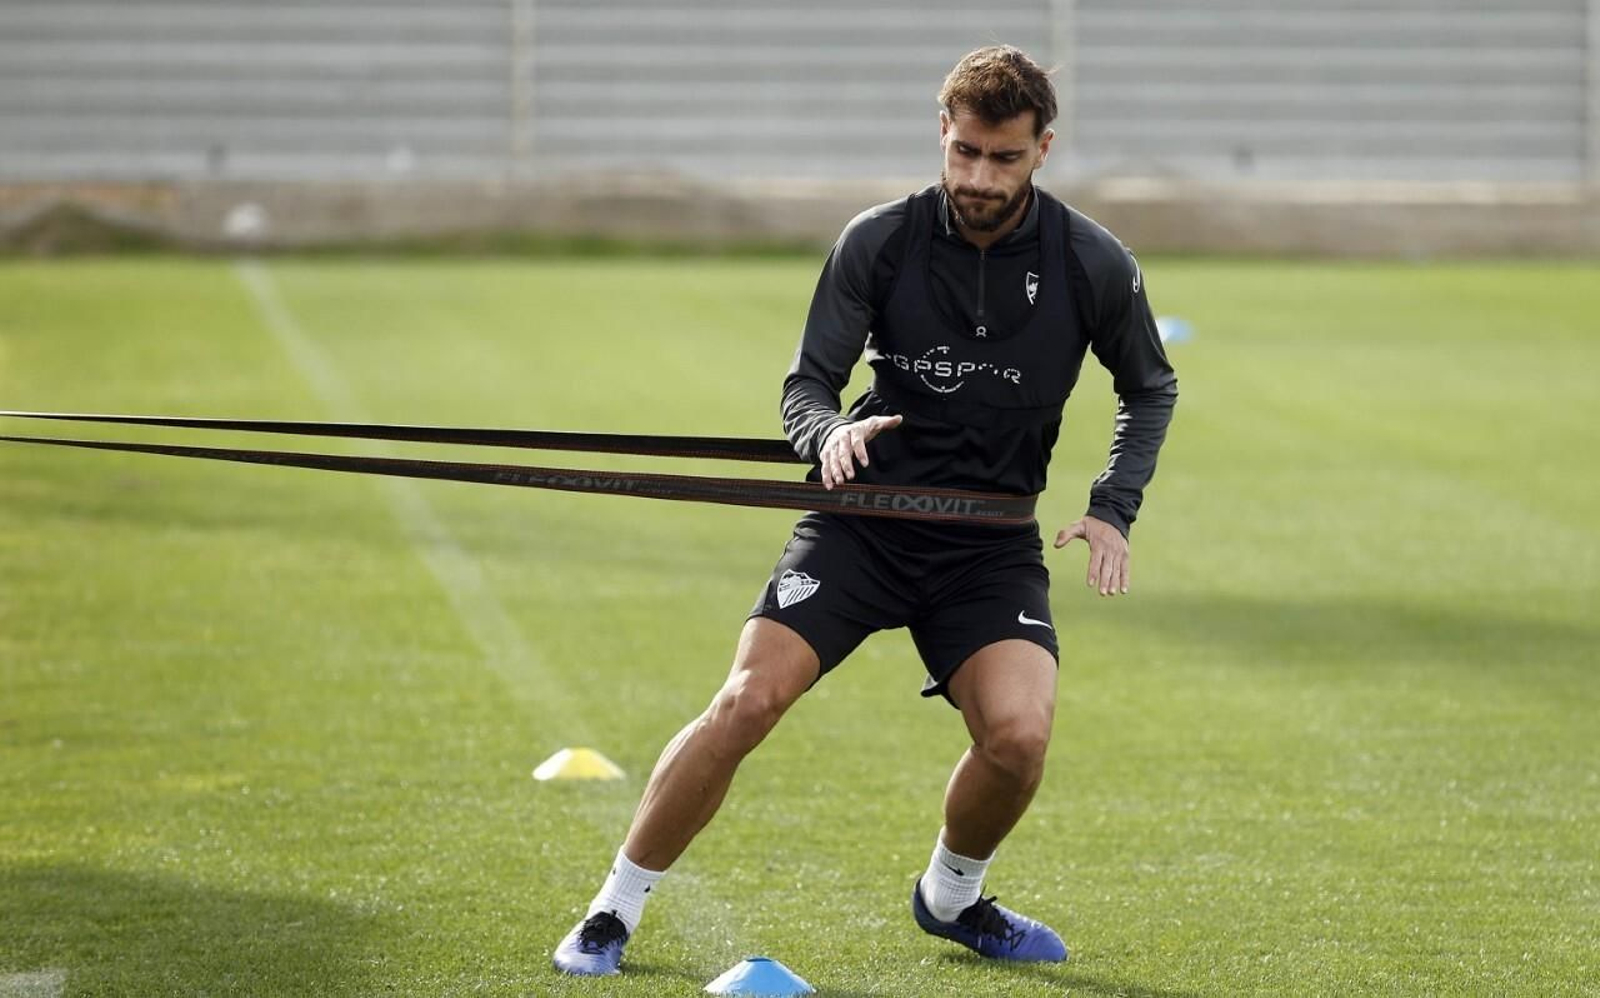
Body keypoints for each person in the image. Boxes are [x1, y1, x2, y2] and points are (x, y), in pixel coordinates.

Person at [553, 44, 1178, 977]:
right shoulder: (880, 240)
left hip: (987, 545)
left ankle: (952, 898)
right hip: (863, 523)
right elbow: (808, 384)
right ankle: (612, 909)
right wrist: (824, 437)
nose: (977, 176)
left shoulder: (1092, 262)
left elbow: (1150, 387)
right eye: (964, 152)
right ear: (942, 134)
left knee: (1019, 737)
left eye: (1002, 158)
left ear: (1043, 148)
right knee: (746, 700)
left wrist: (1113, 505)